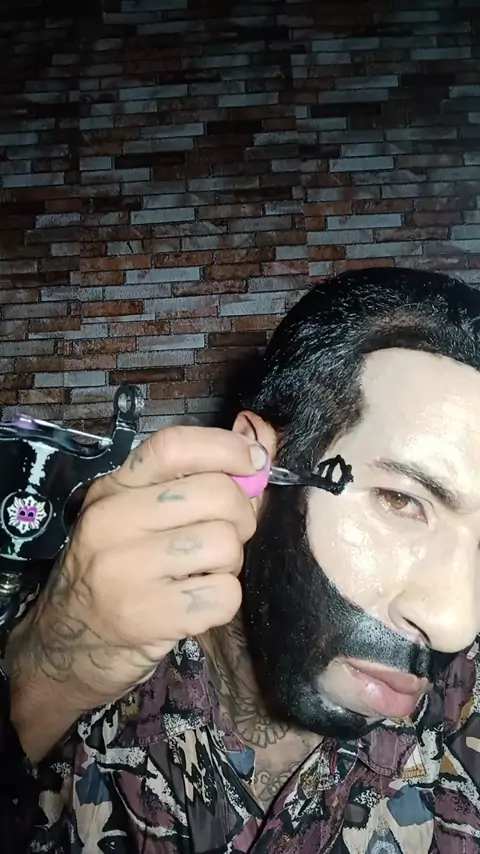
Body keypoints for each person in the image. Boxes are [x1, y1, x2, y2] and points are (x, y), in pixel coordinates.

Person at [5, 266, 480, 853]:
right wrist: (45, 681)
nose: (456, 624)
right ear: (258, 466)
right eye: (401, 501)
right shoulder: (62, 631)